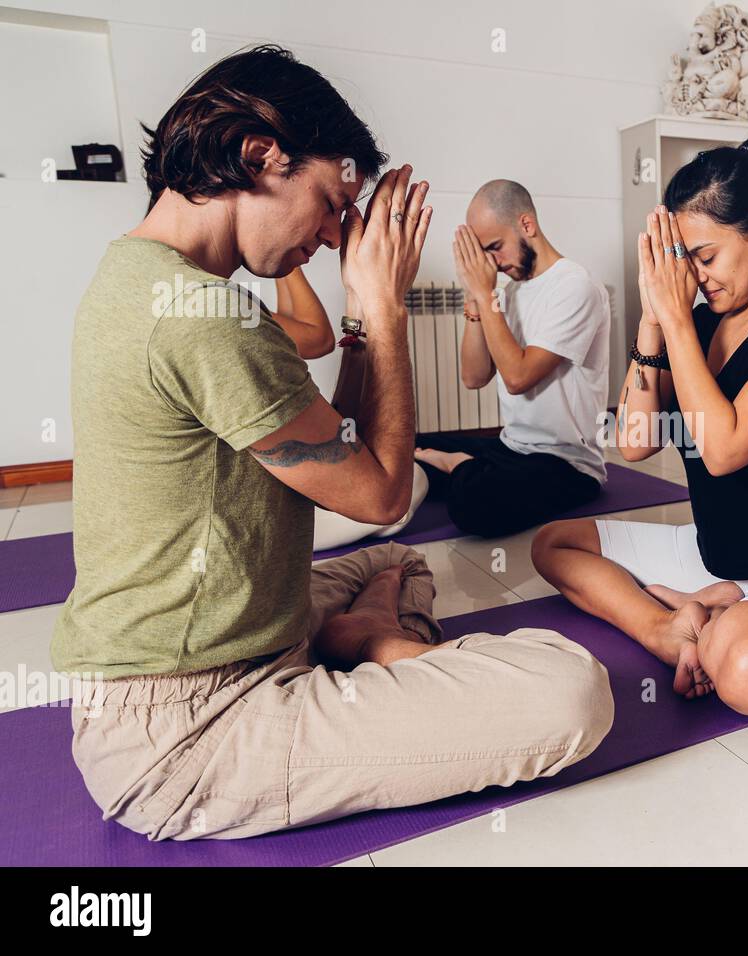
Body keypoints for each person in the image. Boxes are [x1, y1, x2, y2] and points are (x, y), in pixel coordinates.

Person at [51, 45, 612, 841]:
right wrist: (383, 310)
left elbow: (347, 456)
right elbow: (383, 493)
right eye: (327, 203)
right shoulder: (204, 320)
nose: (328, 236)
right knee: (573, 690)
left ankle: (359, 637)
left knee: (397, 560)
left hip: (242, 638)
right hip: (185, 730)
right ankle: (378, 646)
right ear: (258, 156)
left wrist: (358, 319)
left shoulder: (145, 278)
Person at [532, 133, 748, 717]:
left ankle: (720, 616)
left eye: (705, 257)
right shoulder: (692, 322)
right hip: (715, 556)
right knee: (554, 544)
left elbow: (722, 450)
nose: (694, 278)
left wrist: (675, 318)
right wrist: (654, 321)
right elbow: (635, 443)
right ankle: (668, 629)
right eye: (683, 261)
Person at [412, 180, 611, 538]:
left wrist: (486, 292)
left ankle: (460, 469)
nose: (494, 263)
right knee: (408, 446)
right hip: (511, 446)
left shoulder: (574, 286)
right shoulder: (510, 293)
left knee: (473, 505)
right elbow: (473, 377)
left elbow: (518, 377)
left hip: (566, 464)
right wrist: (476, 300)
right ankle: (463, 468)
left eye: (496, 247)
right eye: (485, 254)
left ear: (527, 226)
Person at [264, 266, 430, 551]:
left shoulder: (208, 297)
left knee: (407, 476)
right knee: (406, 487)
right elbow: (318, 338)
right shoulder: (227, 308)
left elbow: (293, 332)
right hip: (262, 520)